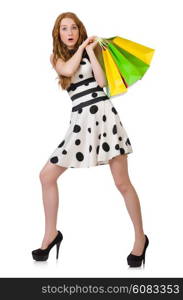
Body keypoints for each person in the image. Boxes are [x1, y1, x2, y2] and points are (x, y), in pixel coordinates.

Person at [32, 12, 149, 267]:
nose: (70, 32)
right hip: (80, 122)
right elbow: (67, 69)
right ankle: (50, 234)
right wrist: (84, 47)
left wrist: (93, 52)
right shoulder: (57, 58)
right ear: (58, 34)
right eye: (65, 29)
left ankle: (140, 239)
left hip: (104, 117)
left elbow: (102, 82)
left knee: (122, 184)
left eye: (74, 27)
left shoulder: (90, 51)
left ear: (79, 29)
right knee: (46, 176)